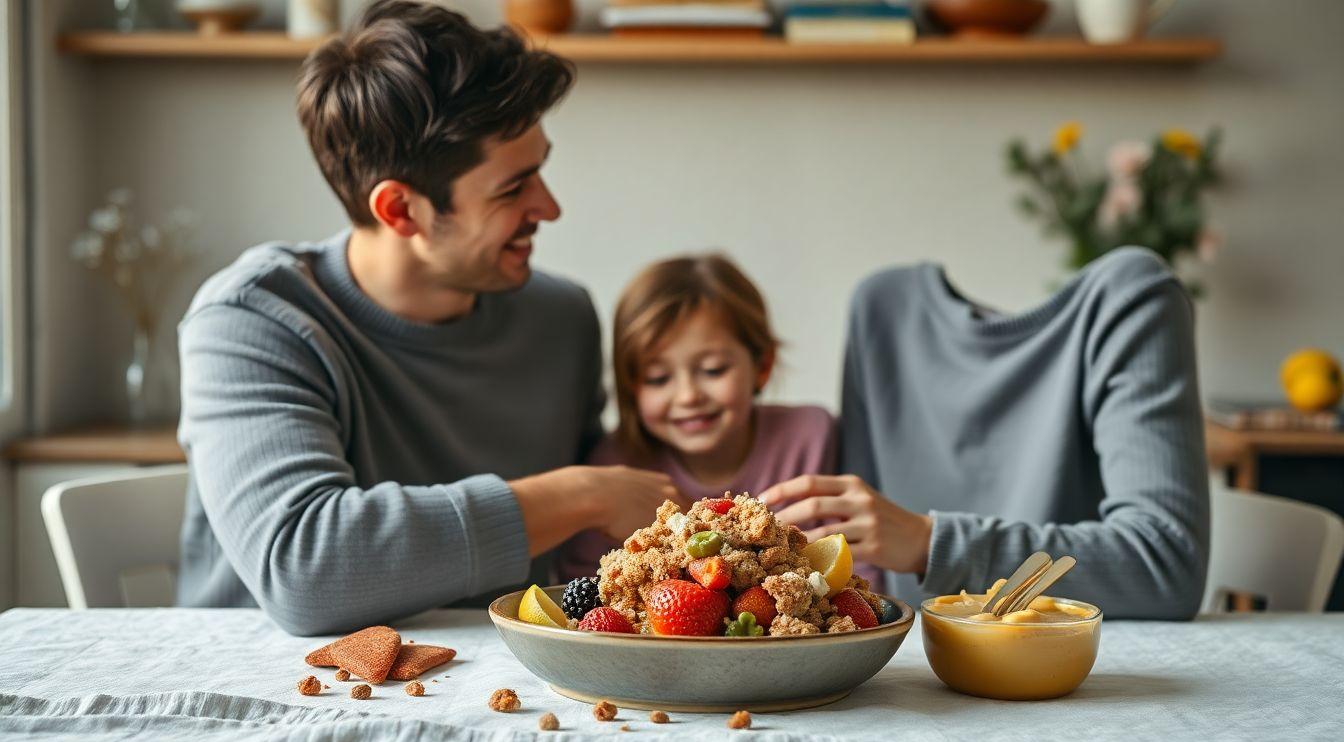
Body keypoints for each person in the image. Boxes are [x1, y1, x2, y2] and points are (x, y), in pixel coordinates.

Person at [175, 0, 679, 635]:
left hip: (506, 693)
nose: (549, 207)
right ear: (401, 211)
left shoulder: (563, 317)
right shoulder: (253, 321)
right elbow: (305, 569)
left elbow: (597, 551)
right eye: (512, 188)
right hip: (273, 695)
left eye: (540, 172)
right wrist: (581, 494)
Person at [761, 248, 1210, 620]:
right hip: (915, 673)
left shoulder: (1131, 301)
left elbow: (1167, 563)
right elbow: (862, 575)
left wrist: (932, 544)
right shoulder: (880, 309)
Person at [557, 254, 880, 586]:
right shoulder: (615, 463)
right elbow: (585, 585)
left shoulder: (811, 436)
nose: (687, 396)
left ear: (762, 365)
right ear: (631, 386)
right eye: (657, 378)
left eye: (713, 370)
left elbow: (858, 565)